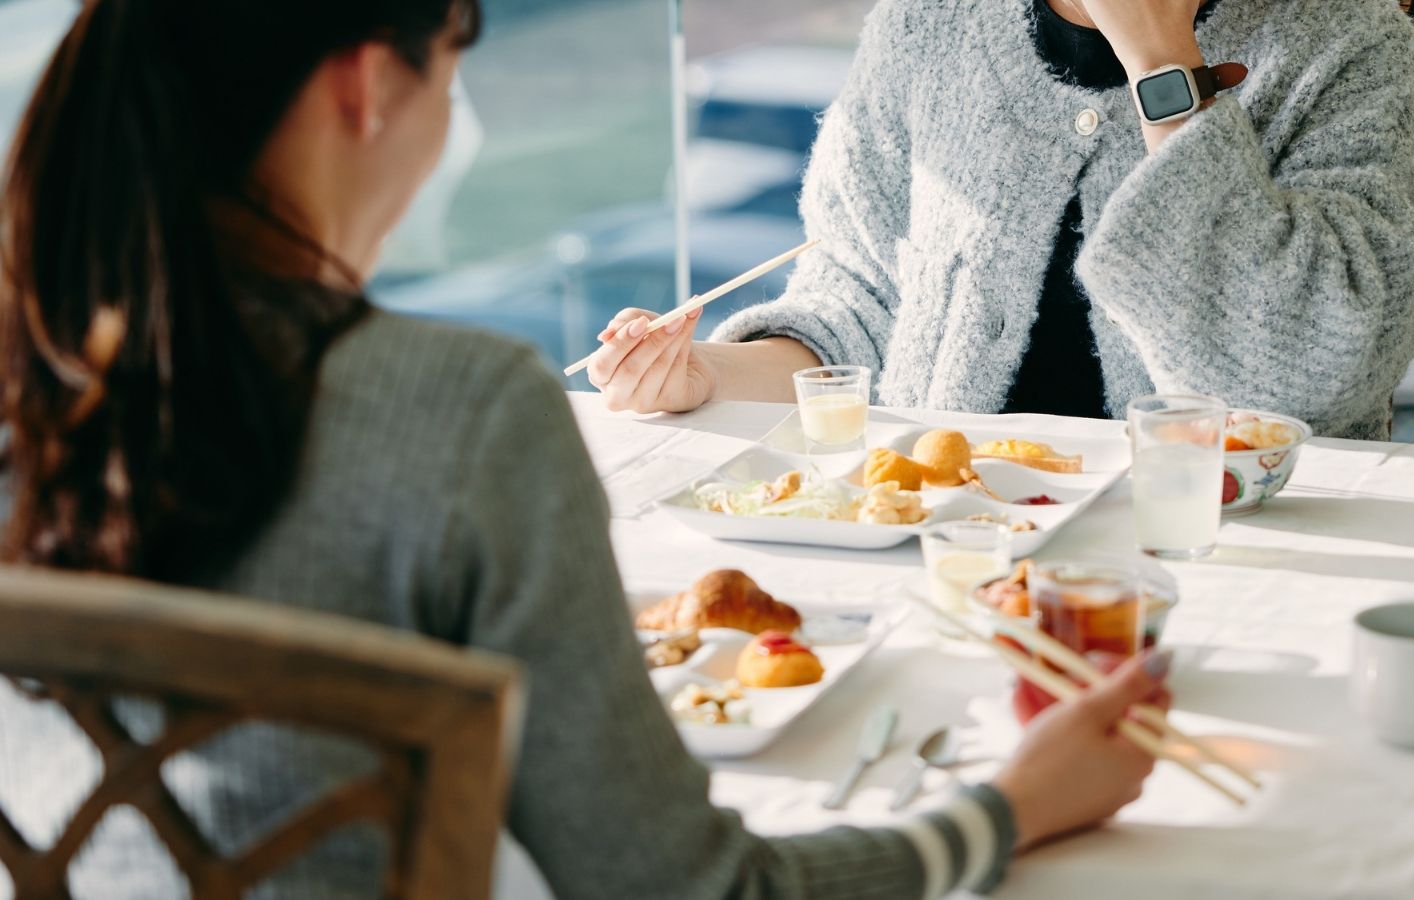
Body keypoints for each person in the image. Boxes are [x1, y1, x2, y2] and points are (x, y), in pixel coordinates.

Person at [0, 2, 1170, 898]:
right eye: (454, 76)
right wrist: (1008, 809)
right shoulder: (462, 411)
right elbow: (691, 887)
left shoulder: (31, 382)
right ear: (367, 86)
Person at [588, 0, 1414, 441]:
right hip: (949, 553)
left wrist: (1162, 67)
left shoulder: (1348, 40)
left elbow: (1311, 381)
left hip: (1232, 569)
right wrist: (707, 375)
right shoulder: (928, 23)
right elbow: (856, 304)